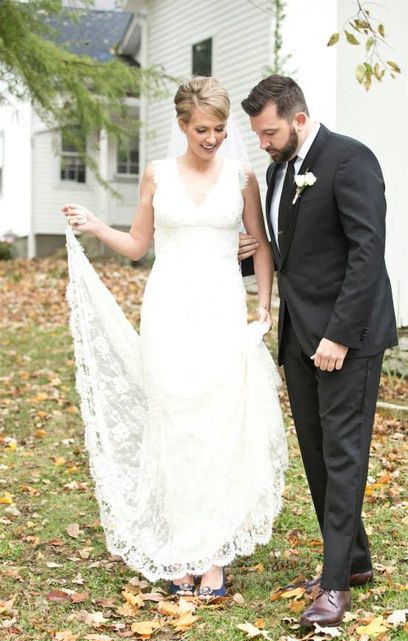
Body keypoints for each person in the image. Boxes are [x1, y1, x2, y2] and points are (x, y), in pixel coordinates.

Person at [62, 76, 287, 599]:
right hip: (167, 311)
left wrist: (264, 304)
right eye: (202, 129)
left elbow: (261, 247)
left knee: (215, 427)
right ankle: (180, 549)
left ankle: (212, 555)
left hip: (221, 311)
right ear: (183, 125)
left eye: (220, 129)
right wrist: (97, 226)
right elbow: (140, 245)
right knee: (175, 426)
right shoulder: (157, 175)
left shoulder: (242, 175)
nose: (212, 139)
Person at [241, 75, 398, 626]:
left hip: (345, 339)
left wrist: (339, 334)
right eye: (258, 134)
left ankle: (334, 588)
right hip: (298, 337)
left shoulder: (351, 159)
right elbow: (294, 253)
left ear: (299, 119)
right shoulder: (279, 168)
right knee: (316, 454)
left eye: (269, 131)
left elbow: (366, 253)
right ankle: (352, 559)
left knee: (344, 454)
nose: (263, 141)